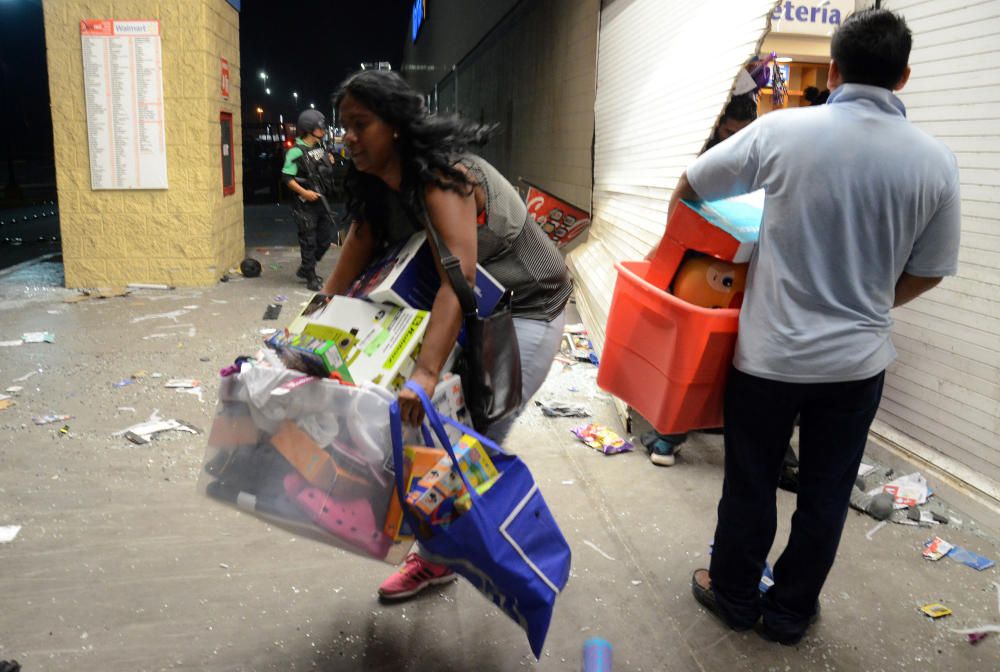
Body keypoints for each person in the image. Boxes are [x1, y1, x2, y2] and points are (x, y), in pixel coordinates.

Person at [659, 8, 960, 644]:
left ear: (832, 67)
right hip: (857, 365)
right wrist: (873, 300)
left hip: (769, 356)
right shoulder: (936, 162)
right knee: (825, 494)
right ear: (904, 77)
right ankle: (792, 612)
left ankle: (736, 595)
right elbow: (931, 270)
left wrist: (704, 269)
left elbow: (691, 187)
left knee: (751, 483)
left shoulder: (782, 132)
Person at [322, 70, 572, 601]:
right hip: (475, 305)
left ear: (394, 126)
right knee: (431, 433)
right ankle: (442, 541)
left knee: (471, 437)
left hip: (525, 306)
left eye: (359, 124)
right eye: (344, 125)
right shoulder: (375, 180)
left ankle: (453, 557)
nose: (347, 136)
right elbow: (358, 246)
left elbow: (455, 284)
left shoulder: (442, 177)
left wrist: (426, 373)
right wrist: (313, 323)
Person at [282, 109, 338, 291]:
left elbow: (322, 171)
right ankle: (310, 276)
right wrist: (304, 193)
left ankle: (306, 268)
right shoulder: (295, 152)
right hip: (304, 205)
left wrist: (329, 161)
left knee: (326, 238)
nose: (323, 130)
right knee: (309, 240)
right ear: (309, 129)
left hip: (321, 201)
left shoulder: (319, 147)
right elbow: (287, 178)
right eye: (320, 128)